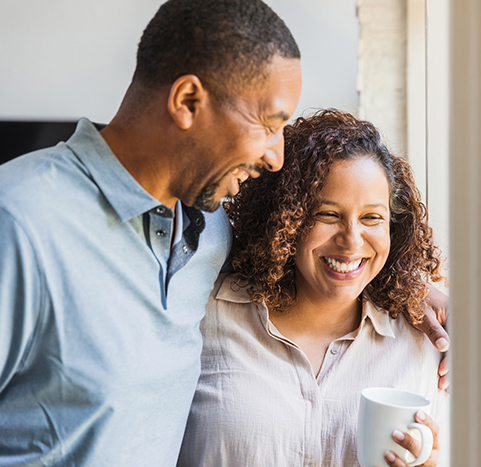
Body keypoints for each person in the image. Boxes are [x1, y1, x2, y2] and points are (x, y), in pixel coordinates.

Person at [0, 0, 302, 464]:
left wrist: (404, 291)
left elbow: (318, 266)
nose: (275, 156)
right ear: (187, 102)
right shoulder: (19, 220)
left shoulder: (213, 228)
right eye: (268, 124)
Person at [177, 109, 450, 467]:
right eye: (327, 214)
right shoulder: (203, 318)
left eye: (372, 217)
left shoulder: (424, 346)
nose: (351, 241)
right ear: (286, 220)